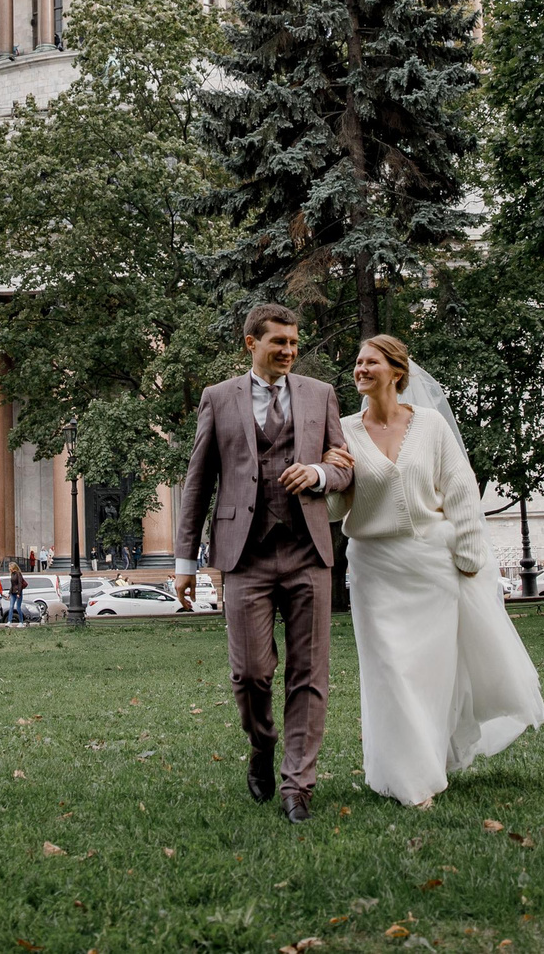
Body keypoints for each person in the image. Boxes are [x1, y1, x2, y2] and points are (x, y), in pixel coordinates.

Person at [331, 335, 544, 809]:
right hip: (373, 567)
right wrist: (323, 473)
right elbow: (333, 506)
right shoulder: (343, 430)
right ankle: (409, 781)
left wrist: (470, 554)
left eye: (371, 362)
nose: (360, 369)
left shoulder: (429, 425)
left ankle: (427, 762)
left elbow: (460, 488)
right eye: (358, 362)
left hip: (432, 565)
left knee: (430, 675)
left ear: (396, 371)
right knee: (389, 672)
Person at [171, 303, 356, 823]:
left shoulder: (320, 395)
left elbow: (344, 468)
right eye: (279, 343)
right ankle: (263, 742)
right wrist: (186, 562)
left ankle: (299, 785)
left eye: (295, 344)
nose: (289, 352)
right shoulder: (217, 398)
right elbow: (198, 482)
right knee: (250, 672)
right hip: (244, 555)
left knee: (309, 672)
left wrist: (318, 474)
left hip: (308, 552)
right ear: (250, 342)